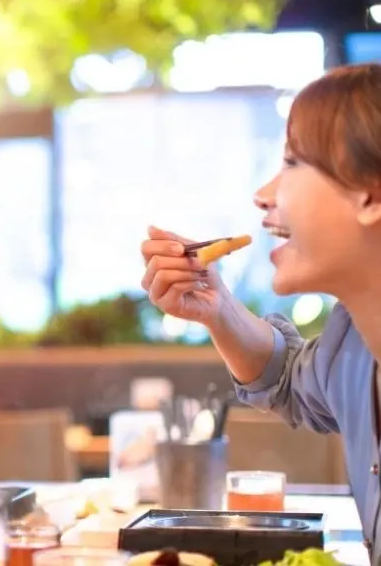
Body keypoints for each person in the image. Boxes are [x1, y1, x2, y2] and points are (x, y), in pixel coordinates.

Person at [141, 63, 381, 555]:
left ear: (370, 194)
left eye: (292, 163)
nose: (263, 195)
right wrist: (216, 307)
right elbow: (291, 382)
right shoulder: (354, 344)